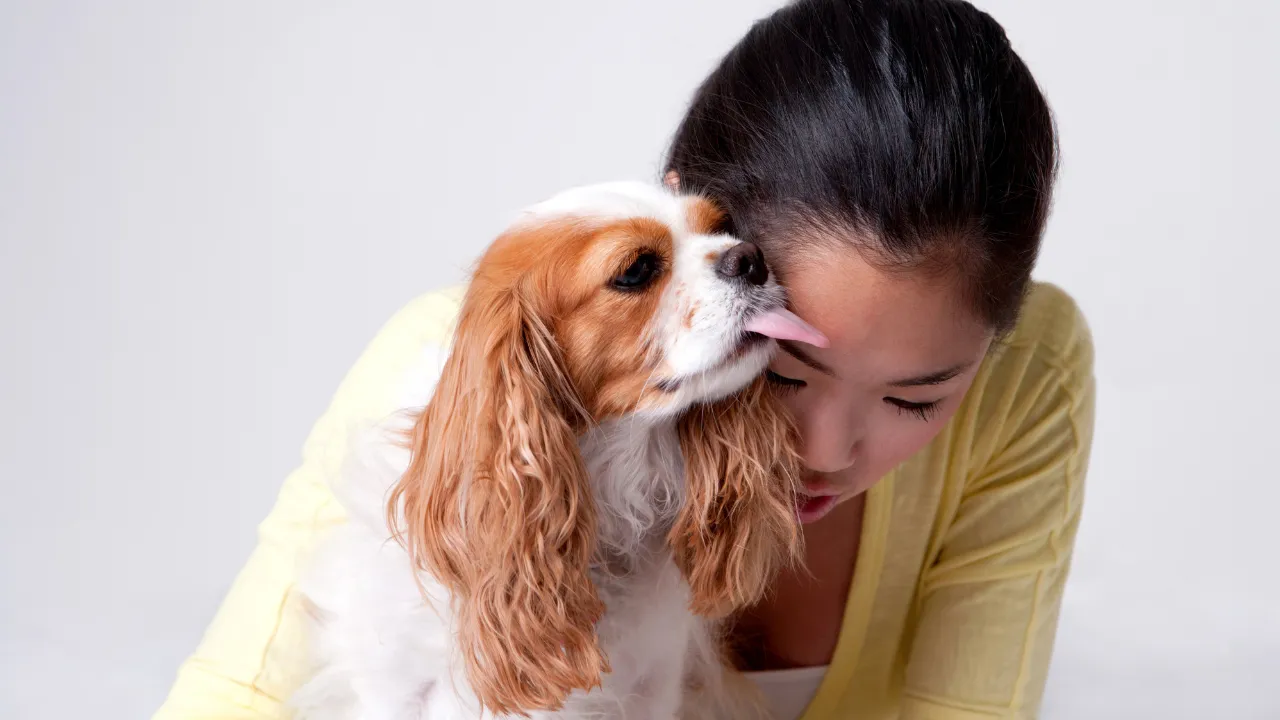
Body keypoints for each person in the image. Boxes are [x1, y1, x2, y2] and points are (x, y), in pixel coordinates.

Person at [153, 0, 1093, 718]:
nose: (828, 448)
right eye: (789, 364)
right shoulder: (453, 360)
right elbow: (236, 693)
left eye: (917, 402)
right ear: (686, 215)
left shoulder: (1029, 375)